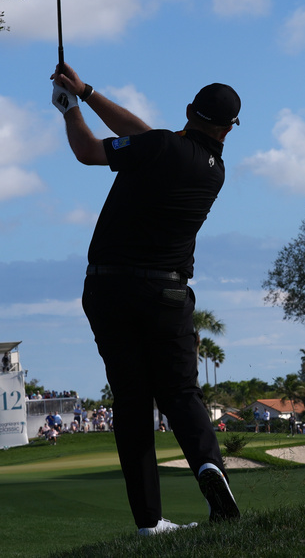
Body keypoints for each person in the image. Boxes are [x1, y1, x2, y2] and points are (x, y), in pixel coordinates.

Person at [51, 62, 242, 536]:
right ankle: (207, 466)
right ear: (228, 129)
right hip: (169, 292)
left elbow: (89, 152)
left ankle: (150, 521)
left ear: (187, 112)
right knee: (180, 392)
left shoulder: (159, 147)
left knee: (133, 401)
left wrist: (69, 108)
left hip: (110, 288)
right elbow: (148, 135)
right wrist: (88, 91)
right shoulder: (213, 171)